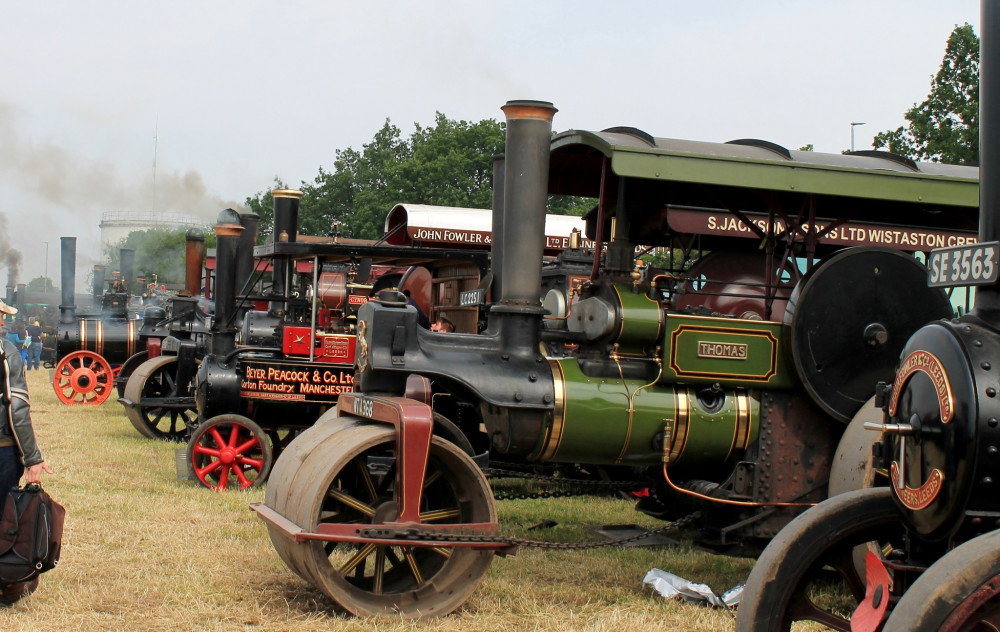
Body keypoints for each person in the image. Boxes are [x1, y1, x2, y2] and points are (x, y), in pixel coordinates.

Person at [0, 301, 52, 604]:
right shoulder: (6, 352)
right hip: (3, 451)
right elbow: (17, 410)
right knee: (3, 517)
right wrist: (33, 457)